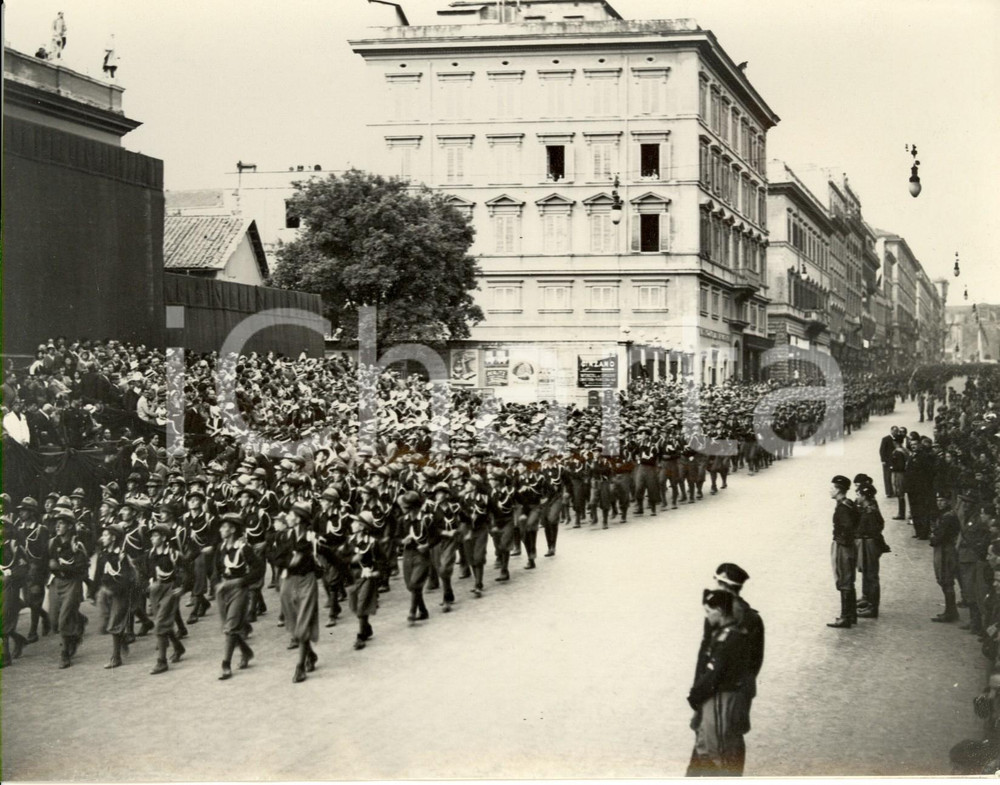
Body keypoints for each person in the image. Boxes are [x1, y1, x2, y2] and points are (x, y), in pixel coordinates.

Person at [686, 589, 751, 777]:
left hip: (721, 700)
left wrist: (695, 695)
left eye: (709, 611)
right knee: (706, 748)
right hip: (716, 699)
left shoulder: (729, 638)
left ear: (720, 611)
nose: (706, 616)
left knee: (718, 753)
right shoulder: (726, 633)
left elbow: (714, 673)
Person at [215, 512, 263, 680]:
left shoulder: (244, 548)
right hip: (223, 590)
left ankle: (226, 664)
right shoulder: (221, 547)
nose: (221, 530)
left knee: (230, 628)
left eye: (225, 527)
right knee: (229, 628)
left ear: (233, 529)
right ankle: (246, 651)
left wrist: (242, 581)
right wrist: (217, 584)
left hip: (239, 590)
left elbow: (259, 569)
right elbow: (216, 569)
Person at [280, 501, 322, 683]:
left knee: (304, 621)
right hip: (289, 580)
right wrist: (285, 564)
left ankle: (300, 666)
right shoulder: (287, 535)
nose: (287, 518)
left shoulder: (311, 538)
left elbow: (325, 554)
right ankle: (310, 654)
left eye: (290, 515)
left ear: (298, 519)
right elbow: (277, 556)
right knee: (294, 620)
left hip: (306, 580)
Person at [48, 508, 89, 668]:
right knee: (53, 620)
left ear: (70, 526)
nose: (57, 526)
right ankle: (78, 621)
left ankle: (65, 653)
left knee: (63, 619)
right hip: (56, 582)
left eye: (61, 523)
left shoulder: (77, 545)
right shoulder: (53, 542)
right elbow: (47, 562)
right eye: (56, 523)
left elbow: (82, 568)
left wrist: (60, 567)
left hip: (72, 583)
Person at [146, 520, 187, 674]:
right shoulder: (150, 554)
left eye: (155, 536)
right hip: (156, 590)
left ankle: (161, 661)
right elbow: (148, 571)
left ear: (163, 538)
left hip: (170, 589)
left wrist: (183, 587)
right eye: (151, 536)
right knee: (162, 623)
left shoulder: (174, 554)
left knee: (160, 623)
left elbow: (186, 571)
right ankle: (178, 647)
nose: (152, 538)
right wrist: (150, 581)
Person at [93, 523, 133, 668]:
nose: (102, 538)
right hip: (106, 592)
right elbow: (98, 574)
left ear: (114, 538)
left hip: (119, 593)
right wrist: (92, 591)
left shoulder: (121, 555)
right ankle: (122, 639)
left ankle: (116, 658)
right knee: (106, 623)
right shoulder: (103, 554)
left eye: (105, 535)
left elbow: (126, 578)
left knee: (114, 622)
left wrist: (114, 589)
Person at [827, 475, 859, 629]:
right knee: (848, 579)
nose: (830, 490)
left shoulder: (842, 508)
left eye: (832, 488)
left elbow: (848, 526)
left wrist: (842, 540)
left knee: (843, 578)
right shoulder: (849, 503)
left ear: (839, 490)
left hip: (844, 546)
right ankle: (851, 615)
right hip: (849, 545)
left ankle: (845, 617)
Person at [855, 483, 888, 619]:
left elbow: (876, 528)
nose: (857, 497)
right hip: (867, 543)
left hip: (869, 544)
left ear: (864, 496)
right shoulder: (868, 508)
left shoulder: (870, 511)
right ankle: (869, 602)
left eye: (858, 494)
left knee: (872, 576)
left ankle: (873, 608)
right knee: (868, 573)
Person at [930, 491, 961, 624]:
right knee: (944, 580)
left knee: (946, 579)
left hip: (945, 550)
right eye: (938, 500)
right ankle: (950, 611)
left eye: (942, 500)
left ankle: (950, 612)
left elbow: (940, 535)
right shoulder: (945, 514)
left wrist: (933, 538)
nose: (939, 503)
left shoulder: (948, 516)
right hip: (943, 549)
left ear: (948, 501)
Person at [879, 426, 898, 498]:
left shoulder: (897, 439)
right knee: (887, 476)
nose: (895, 432)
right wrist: (883, 460)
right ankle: (888, 492)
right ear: (891, 431)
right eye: (894, 431)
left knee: (895, 476)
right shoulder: (885, 439)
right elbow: (882, 450)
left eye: (897, 431)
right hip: (887, 461)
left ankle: (895, 491)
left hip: (895, 461)